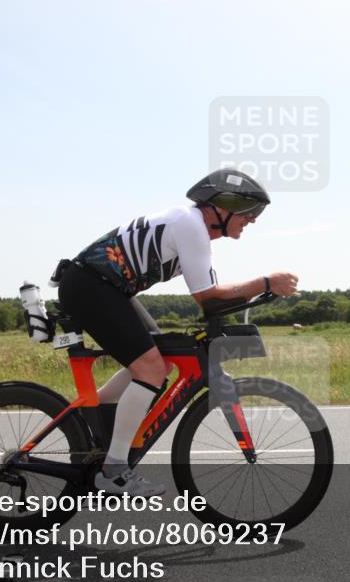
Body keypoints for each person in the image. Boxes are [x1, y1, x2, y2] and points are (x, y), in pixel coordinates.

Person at [53, 169, 299, 497]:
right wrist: (265, 283)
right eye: (248, 211)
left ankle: (87, 416)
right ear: (222, 206)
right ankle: (112, 471)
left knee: (161, 362)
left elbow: (212, 302)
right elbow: (209, 298)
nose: (252, 220)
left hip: (104, 287)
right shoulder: (190, 225)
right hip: (92, 286)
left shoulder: (191, 227)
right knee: (151, 369)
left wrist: (254, 296)